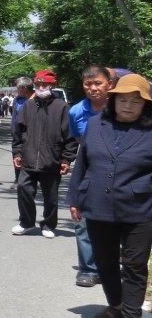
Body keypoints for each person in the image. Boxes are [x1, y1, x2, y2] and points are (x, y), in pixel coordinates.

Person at [67, 74, 152, 318]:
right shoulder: (95, 125)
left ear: (146, 104)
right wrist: (75, 198)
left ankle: (131, 313)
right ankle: (116, 305)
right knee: (104, 262)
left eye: (136, 101)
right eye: (123, 100)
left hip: (140, 208)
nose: (128, 105)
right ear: (113, 100)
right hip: (97, 203)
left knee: (135, 265)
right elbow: (82, 163)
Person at [12, 69, 78, 238]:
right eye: (38, 85)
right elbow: (18, 132)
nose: (41, 88)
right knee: (23, 189)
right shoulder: (28, 106)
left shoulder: (62, 107)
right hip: (29, 158)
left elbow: (69, 136)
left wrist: (66, 159)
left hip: (52, 160)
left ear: (52, 85)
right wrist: (17, 153)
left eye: (45, 85)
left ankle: (48, 225)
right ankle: (26, 222)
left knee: (51, 197)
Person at [68, 65, 114, 288]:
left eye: (98, 83)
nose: (93, 88)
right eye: (88, 84)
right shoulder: (76, 111)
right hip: (90, 171)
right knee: (83, 221)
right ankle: (88, 269)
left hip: (121, 173)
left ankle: (112, 265)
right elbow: (78, 142)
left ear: (110, 84)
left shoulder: (122, 107)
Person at [10, 77, 35, 190]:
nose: (17, 90)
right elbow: (14, 115)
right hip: (17, 132)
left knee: (30, 156)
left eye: (18, 88)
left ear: (24, 88)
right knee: (17, 156)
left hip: (30, 133)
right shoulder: (17, 100)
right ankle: (18, 179)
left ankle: (32, 179)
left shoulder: (35, 100)